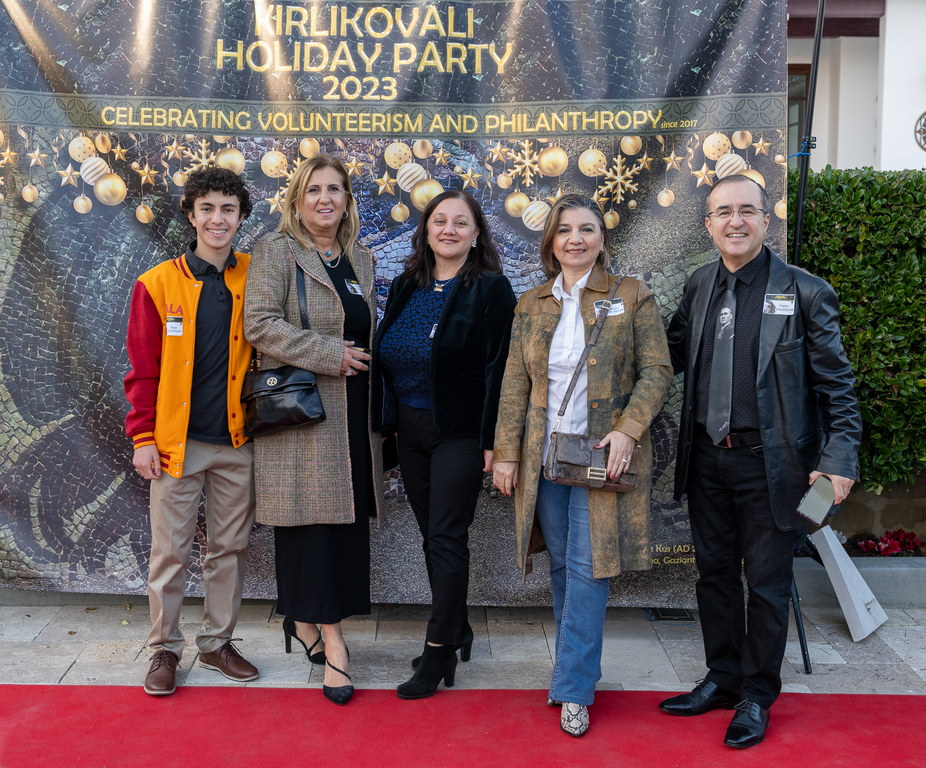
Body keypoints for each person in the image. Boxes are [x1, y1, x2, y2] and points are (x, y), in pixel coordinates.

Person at [661, 174, 862, 748]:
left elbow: (838, 389)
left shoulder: (806, 292)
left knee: (768, 584)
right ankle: (722, 678)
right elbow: (667, 355)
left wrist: (839, 460)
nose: (735, 221)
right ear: (708, 224)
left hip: (774, 467)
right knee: (714, 576)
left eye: (746, 210)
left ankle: (756, 695)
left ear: (765, 220)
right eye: (723, 212)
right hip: (706, 459)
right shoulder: (699, 284)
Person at [492, 194, 673, 737]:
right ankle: (575, 670)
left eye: (587, 229)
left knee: (587, 567)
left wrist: (628, 429)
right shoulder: (531, 303)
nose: (576, 239)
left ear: (602, 239)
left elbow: (657, 370)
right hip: (544, 457)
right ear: (551, 241)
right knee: (560, 565)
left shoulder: (631, 295)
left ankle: (573, 686)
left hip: (600, 458)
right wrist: (506, 452)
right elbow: (514, 384)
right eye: (565, 229)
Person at [244, 154, 383, 706]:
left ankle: (304, 620)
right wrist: (330, 354)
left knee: (344, 528)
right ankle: (335, 642)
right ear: (297, 200)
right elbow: (259, 325)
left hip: (353, 415)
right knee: (312, 529)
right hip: (302, 413)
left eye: (335, 190)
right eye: (314, 190)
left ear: (347, 200)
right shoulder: (277, 251)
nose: (325, 199)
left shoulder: (360, 257)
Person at [372, 190, 516, 699]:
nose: (449, 230)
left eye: (460, 222)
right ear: (426, 230)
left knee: (447, 536)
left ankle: (438, 651)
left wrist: (495, 440)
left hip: (460, 431)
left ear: (476, 234)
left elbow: (502, 369)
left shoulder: (491, 289)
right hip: (409, 431)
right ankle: (458, 628)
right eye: (440, 221)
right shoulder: (406, 285)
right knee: (432, 537)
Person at [124, 166, 258, 696]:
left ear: (241, 217)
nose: (217, 219)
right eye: (207, 209)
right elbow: (142, 370)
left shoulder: (257, 275)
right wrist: (143, 438)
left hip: (239, 442)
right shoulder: (156, 284)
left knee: (230, 549)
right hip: (176, 444)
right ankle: (164, 649)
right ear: (191, 214)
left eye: (228, 209)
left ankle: (217, 642)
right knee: (170, 551)